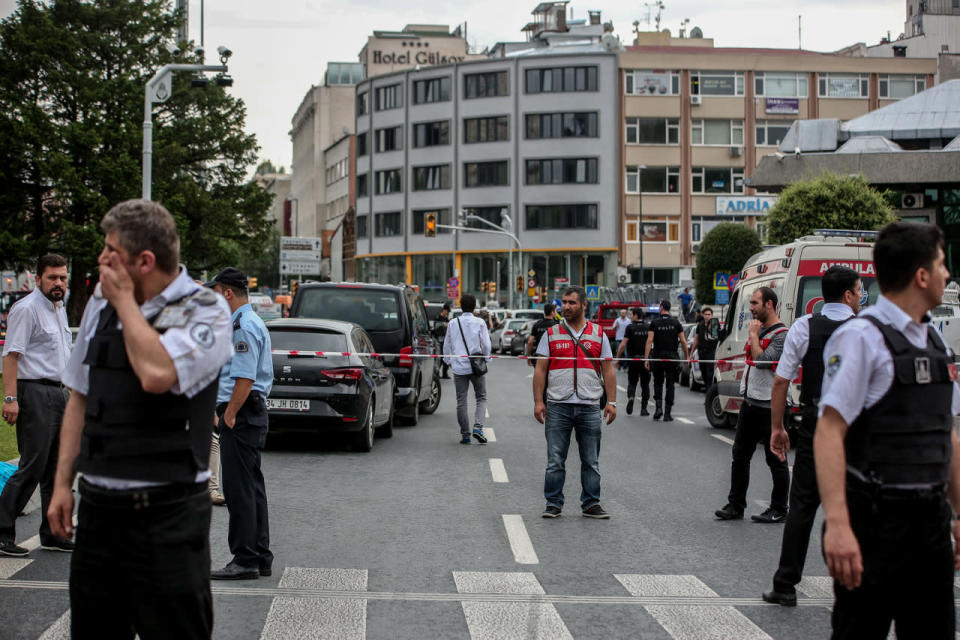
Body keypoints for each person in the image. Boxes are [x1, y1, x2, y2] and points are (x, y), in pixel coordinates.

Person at [47, 199, 234, 638]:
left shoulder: (205, 309)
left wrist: (126, 304)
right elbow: (80, 396)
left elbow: (156, 374)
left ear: (145, 261)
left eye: (111, 251)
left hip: (167, 516)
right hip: (100, 510)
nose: (102, 260)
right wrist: (60, 486)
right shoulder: (102, 301)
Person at [815, 222, 960, 638]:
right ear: (921, 276)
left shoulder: (934, 341)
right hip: (875, 525)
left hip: (929, 525)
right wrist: (839, 525)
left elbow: (944, 433)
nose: (947, 274)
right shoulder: (861, 338)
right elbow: (829, 431)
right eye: (942, 264)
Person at [762, 266, 861, 607]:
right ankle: (853, 586)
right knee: (856, 505)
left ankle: (785, 584)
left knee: (803, 505)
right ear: (848, 295)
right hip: (856, 426)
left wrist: (777, 428)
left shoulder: (805, 326)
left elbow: (780, 381)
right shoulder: (865, 330)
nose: (861, 297)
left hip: (816, 422)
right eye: (860, 291)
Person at [0, 254, 73, 557]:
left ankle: (53, 533)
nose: (59, 283)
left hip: (58, 393)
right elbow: (11, 356)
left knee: (57, 471)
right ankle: (2, 533)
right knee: (32, 466)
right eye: (53, 277)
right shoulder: (27, 309)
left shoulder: (59, 309)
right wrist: (11, 399)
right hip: (34, 393)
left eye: (63, 278)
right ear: (39, 278)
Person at [207, 267, 275, 581]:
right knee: (252, 487)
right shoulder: (250, 321)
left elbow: (245, 377)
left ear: (227, 293)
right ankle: (260, 555)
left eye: (216, 292)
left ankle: (244, 558)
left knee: (239, 490)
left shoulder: (242, 326)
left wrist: (230, 414)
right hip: (250, 411)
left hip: (242, 412)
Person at [533, 286, 617, 519]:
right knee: (555, 460)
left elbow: (608, 370)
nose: (566, 307)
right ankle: (553, 503)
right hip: (558, 405)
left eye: (571, 303)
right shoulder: (551, 334)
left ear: (583, 305)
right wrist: (538, 402)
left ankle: (591, 503)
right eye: (564, 302)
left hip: (589, 405)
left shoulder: (598, 334)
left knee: (591, 461)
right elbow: (540, 369)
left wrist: (612, 402)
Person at [715, 287, 790, 523]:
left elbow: (763, 362)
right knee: (740, 456)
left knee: (775, 458)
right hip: (750, 403)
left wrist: (755, 337)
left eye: (755, 303)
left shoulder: (782, 334)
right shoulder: (759, 329)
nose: (751, 308)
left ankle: (779, 508)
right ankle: (735, 505)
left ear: (769, 304)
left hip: (771, 406)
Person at [443, 294, 491, 444]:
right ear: (474, 306)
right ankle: (478, 427)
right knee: (481, 397)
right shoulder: (480, 322)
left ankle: (465, 434)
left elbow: (447, 345)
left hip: (459, 367)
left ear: (460, 306)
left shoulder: (453, 323)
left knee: (461, 401)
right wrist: (486, 358)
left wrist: (448, 360)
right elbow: (486, 344)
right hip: (476, 366)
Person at [644, 301, 688, 421]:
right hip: (672, 357)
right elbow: (683, 341)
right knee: (670, 385)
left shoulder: (655, 322)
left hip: (658, 356)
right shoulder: (676, 323)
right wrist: (687, 357)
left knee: (658, 382)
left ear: (661, 308)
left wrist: (646, 358)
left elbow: (649, 340)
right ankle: (667, 413)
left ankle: (658, 408)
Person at [616, 308, 651, 416]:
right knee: (645, 385)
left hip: (633, 360)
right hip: (645, 360)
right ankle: (644, 409)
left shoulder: (630, 327)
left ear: (636, 315)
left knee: (632, 382)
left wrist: (618, 358)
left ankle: (631, 397)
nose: (629, 316)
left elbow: (623, 345)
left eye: (631, 314)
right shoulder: (648, 327)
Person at [689, 307, 720, 391]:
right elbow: (696, 339)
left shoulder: (715, 324)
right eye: (706, 314)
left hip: (711, 351)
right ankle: (707, 388)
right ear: (703, 315)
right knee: (703, 373)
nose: (707, 316)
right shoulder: (700, 324)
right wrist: (691, 353)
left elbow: (716, 337)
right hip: (701, 352)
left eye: (709, 314)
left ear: (712, 315)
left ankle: (708, 393)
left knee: (710, 374)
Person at [526, 303, 558, 368]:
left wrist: (529, 356)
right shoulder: (556, 325)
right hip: (552, 357)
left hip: (538, 356)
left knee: (540, 374)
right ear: (552, 312)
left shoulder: (537, 324)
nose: (556, 313)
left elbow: (530, 342)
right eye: (556, 311)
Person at [433, 303, 452, 379]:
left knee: (446, 357)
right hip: (439, 341)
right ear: (444, 310)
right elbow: (436, 327)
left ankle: (445, 373)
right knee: (439, 358)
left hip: (445, 340)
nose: (447, 313)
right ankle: (436, 373)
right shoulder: (438, 318)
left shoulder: (446, 319)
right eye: (447, 311)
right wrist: (444, 324)